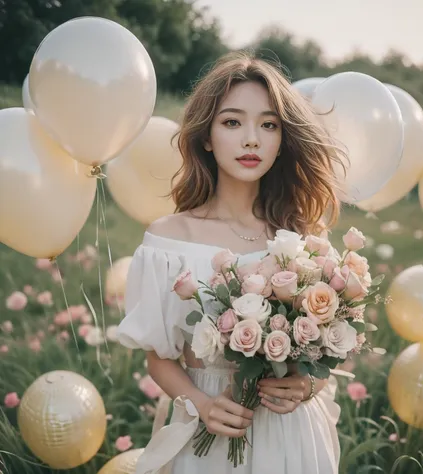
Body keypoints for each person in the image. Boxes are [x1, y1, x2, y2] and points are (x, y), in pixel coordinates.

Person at [117, 51, 346, 474]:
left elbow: (327, 356)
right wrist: (201, 404)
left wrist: (307, 384)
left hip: (290, 433)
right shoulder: (169, 239)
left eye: (269, 125)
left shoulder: (305, 241)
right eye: (232, 122)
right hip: (211, 432)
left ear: (282, 140)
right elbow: (159, 357)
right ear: (206, 136)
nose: (252, 139)